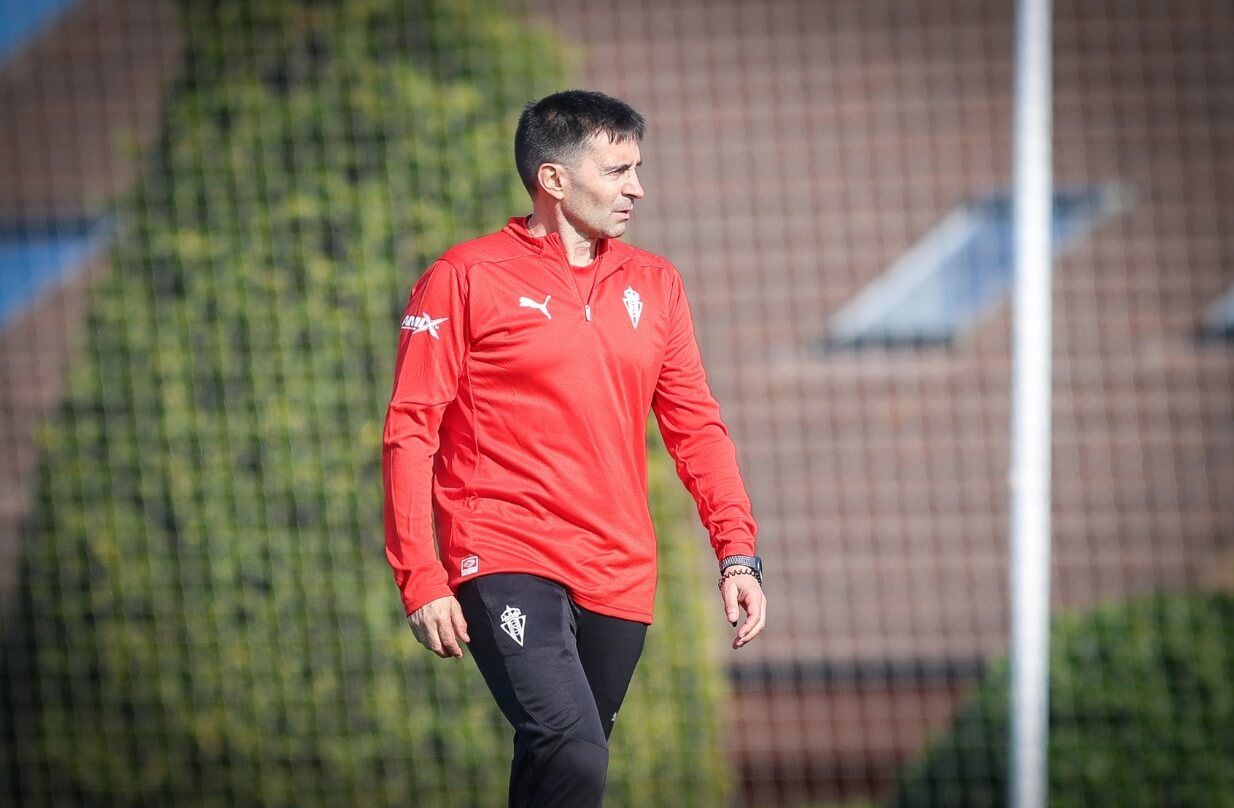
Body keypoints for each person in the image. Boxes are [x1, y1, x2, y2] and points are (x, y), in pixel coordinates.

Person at [382, 89, 766, 807]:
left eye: (638, 168)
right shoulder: (463, 278)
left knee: (556, 768)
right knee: (572, 749)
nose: (637, 189)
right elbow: (410, 432)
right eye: (618, 171)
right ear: (553, 180)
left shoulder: (655, 284)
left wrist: (737, 550)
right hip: (503, 552)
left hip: (618, 571)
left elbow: (697, 428)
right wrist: (421, 575)